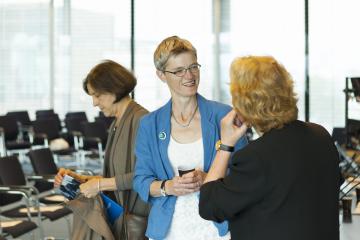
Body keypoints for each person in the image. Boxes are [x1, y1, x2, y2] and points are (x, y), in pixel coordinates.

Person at [199, 56, 340, 240]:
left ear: (245, 104)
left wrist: (225, 145)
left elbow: (209, 205)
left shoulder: (255, 157)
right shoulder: (320, 136)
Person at [133, 36, 248, 240]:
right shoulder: (149, 124)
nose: (189, 75)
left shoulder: (224, 116)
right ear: (161, 75)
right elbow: (141, 180)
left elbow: (247, 174)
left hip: (218, 229)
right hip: (167, 230)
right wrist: (168, 186)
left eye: (193, 66)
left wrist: (210, 181)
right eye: (179, 71)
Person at [54, 60, 149, 239]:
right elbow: (116, 175)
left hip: (136, 219)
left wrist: (99, 185)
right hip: (120, 216)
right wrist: (83, 180)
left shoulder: (142, 120)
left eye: (97, 95)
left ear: (114, 89)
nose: (94, 103)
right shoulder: (116, 123)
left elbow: (145, 176)